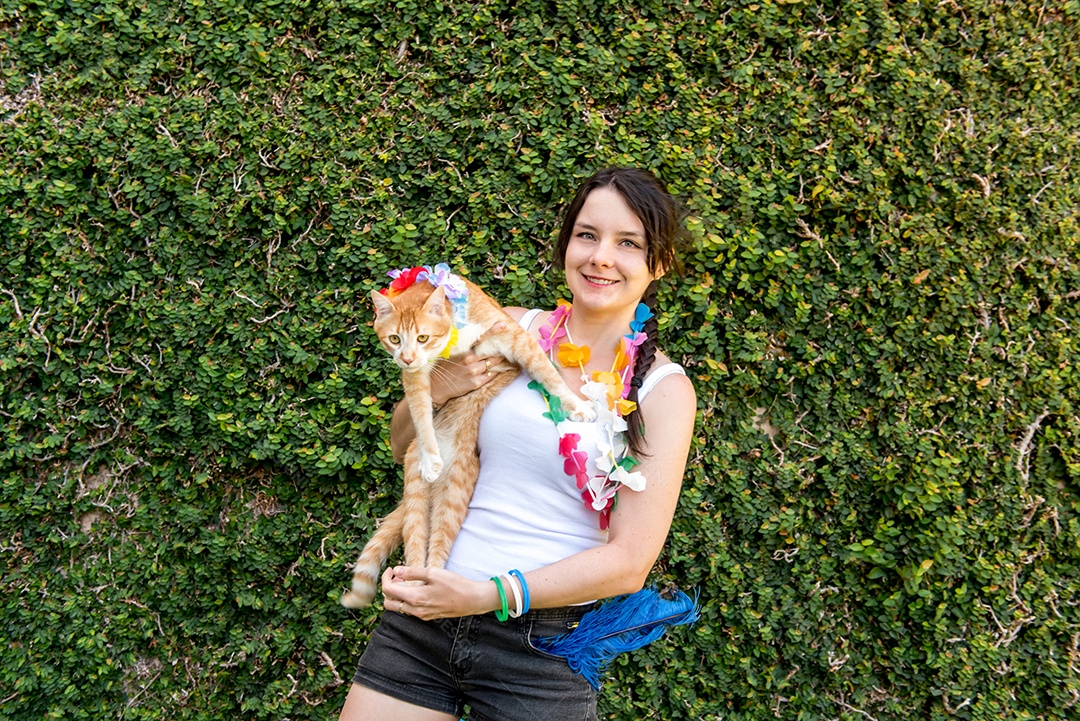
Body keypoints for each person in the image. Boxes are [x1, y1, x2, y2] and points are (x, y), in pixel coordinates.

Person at [339, 168, 697, 721]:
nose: (601, 256)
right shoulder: (504, 328)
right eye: (587, 235)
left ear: (660, 263)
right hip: (422, 623)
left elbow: (629, 562)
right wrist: (438, 387)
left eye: (628, 243)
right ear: (566, 245)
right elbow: (401, 445)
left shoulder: (662, 391)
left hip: (538, 650)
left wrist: (484, 595)